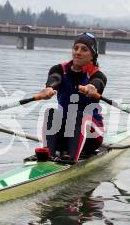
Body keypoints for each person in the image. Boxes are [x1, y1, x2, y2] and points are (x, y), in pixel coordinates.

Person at [37, 32, 107, 162]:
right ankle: (49, 154)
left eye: (84, 49)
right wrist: (50, 88)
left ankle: (72, 158)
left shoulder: (97, 75)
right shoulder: (59, 69)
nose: (78, 52)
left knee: (80, 115)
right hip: (64, 135)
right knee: (51, 112)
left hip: (91, 136)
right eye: (76, 48)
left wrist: (92, 87)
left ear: (92, 55)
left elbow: (98, 82)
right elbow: (54, 79)